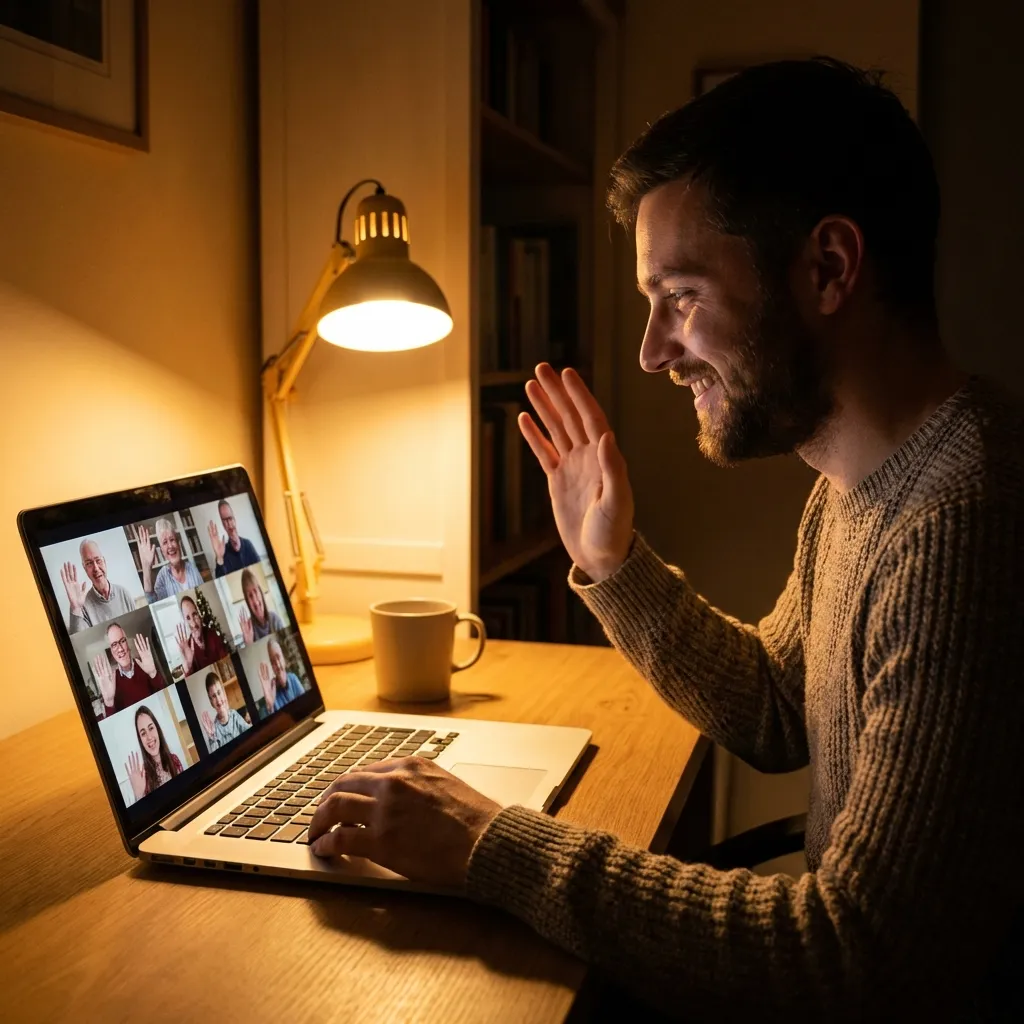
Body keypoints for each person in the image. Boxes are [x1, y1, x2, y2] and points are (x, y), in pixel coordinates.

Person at [306, 59, 1024, 1020]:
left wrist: (493, 846)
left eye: (680, 294)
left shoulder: (961, 522)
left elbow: (857, 956)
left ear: (829, 269)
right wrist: (613, 561)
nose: (652, 351)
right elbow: (780, 708)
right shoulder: (861, 482)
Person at [60, 538, 137, 634]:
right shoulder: (83, 607)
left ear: (104, 561)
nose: (96, 568)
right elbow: (80, 641)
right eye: (89, 563)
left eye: (98, 560)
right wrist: (75, 608)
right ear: (85, 569)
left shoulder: (124, 593)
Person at [92, 622, 167, 719]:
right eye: (114, 644)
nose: (120, 649)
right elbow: (115, 724)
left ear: (127, 643)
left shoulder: (145, 667)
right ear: (111, 651)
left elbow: (166, 700)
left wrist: (153, 674)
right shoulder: (112, 683)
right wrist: (109, 702)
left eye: (122, 641)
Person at [133, 519, 203, 602]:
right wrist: (146, 569)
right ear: (162, 551)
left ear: (178, 543)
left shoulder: (192, 568)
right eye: (165, 542)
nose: (170, 546)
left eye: (172, 539)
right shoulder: (162, 577)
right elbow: (155, 604)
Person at [125, 704, 183, 802]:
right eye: (143, 733)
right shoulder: (143, 776)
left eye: (151, 728)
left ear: (157, 729)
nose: (149, 737)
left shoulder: (174, 760)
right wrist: (139, 796)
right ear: (140, 740)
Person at [175, 594, 230, 676]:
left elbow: (225, 660)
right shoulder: (188, 648)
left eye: (194, 615)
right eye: (188, 618)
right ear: (185, 622)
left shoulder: (212, 634)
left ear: (198, 613)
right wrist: (188, 666)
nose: (193, 624)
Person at [208, 499, 260, 578]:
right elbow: (220, 579)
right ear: (222, 524)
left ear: (234, 519)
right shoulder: (222, 553)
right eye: (225, 520)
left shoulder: (248, 544)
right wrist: (219, 557)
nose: (229, 523)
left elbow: (259, 570)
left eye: (230, 518)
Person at [199, 671, 250, 752]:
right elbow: (216, 758)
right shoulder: (213, 730)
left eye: (219, 692)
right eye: (214, 696)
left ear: (223, 692)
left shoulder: (234, 715)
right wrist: (212, 739)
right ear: (211, 701)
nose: (218, 700)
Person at [258, 637, 305, 714]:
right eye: (273, 661)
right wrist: (270, 706)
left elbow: (306, 703)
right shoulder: (271, 691)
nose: (277, 664)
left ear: (283, 658)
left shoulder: (293, 678)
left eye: (278, 657)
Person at [237, 567, 284, 643]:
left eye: (255, 591)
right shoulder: (249, 629)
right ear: (247, 602)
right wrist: (249, 643)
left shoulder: (275, 619)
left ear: (261, 593)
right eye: (250, 596)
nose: (255, 601)